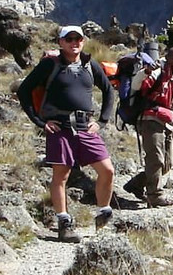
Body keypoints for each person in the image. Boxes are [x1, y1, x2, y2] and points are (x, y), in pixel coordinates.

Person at [16, 25, 117, 241]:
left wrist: (102, 121)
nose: (74, 43)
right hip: (59, 126)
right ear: (60, 42)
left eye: (78, 39)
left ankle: (103, 212)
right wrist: (39, 121)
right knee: (61, 175)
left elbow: (108, 91)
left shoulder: (91, 65)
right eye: (69, 39)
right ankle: (64, 222)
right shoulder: (49, 65)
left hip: (85, 125)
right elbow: (24, 90)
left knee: (107, 170)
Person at [127, 46, 173, 207]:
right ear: (167, 57)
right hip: (151, 119)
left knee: (167, 163)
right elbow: (136, 85)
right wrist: (145, 72)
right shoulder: (156, 71)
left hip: (168, 121)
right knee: (156, 159)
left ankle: (136, 184)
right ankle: (154, 196)